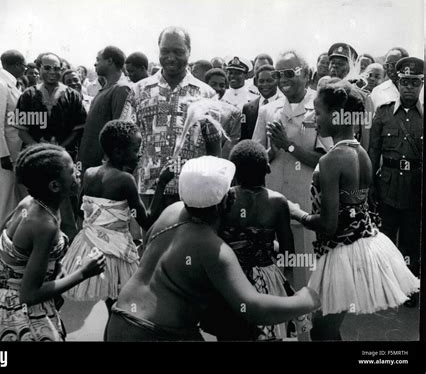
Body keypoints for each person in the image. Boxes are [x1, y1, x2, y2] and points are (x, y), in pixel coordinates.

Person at [105, 155, 321, 341]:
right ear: (226, 200)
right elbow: (255, 308)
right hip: (158, 333)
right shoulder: (212, 249)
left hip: (119, 321)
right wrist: (306, 299)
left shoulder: (172, 212)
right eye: (231, 189)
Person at [288, 81, 419, 341]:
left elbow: (328, 224)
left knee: (321, 329)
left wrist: (295, 213)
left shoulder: (331, 160)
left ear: (337, 116)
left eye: (319, 112)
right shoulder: (361, 154)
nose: (315, 118)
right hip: (359, 247)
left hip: (342, 253)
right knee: (324, 328)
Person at [0, 144, 106, 341]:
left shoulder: (30, 203)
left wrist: (55, 268)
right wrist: (84, 272)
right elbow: (29, 295)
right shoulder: (44, 226)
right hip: (16, 314)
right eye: (71, 171)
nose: (78, 172)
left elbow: (5, 247)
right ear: (54, 186)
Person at [61, 120, 174, 337]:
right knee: (120, 306)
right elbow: (147, 221)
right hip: (116, 252)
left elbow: (80, 209)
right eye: (135, 150)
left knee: (112, 304)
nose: (139, 154)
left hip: (89, 245)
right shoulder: (125, 180)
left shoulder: (90, 173)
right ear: (118, 152)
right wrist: (161, 184)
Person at [201, 140, 299, 341]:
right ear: (268, 168)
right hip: (267, 280)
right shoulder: (278, 202)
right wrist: (286, 284)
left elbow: (214, 239)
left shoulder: (226, 198)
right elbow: (288, 249)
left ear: (235, 174)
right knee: (270, 333)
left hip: (231, 281)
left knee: (230, 333)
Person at [252, 50, 333, 290]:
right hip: (273, 204)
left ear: (306, 74)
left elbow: (327, 160)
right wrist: (273, 152)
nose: (283, 79)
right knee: (272, 269)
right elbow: (257, 159)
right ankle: (277, 324)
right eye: (279, 74)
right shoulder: (269, 109)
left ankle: (303, 324)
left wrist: (289, 145)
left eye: (289, 73)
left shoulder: (320, 106)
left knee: (304, 273)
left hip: (305, 208)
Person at [120, 26, 217, 209]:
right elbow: (125, 138)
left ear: (189, 51)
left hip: (192, 190)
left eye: (178, 51)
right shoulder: (139, 90)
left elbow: (214, 146)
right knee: (150, 237)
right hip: (147, 188)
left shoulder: (206, 94)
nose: (171, 57)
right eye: (165, 51)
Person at [368, 57, 423, 307]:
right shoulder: (383, 112)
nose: (409, 87)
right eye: (405, 82)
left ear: (421, 84)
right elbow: (373, 152)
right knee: (386, 239)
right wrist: (369, 187)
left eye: (415, 82)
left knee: (412, 241)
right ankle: (386, 289)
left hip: (416, 188)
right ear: (397, 83)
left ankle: (411, 288)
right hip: (387, 187)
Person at [15, 52, 87, 241]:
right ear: (39, 69)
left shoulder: (72, 96)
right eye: (47, 67)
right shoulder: (27, 96)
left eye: (57, 68)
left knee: (67, 205)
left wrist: (58, 151)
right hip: (35, 159)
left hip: (64, 158)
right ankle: (37, 243)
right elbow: (21, 131)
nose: (52, 72)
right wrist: (40, 150)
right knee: (36, 203)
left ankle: (70, 247)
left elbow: (77, 130)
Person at [0, 50, 27, 236]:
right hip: (5, 154)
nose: (24, 69)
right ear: (15, 65)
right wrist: (3, 155)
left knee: (12, 197)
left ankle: (9, 237)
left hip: (13, 151)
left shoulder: (10, 85)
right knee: (4, 198)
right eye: (23, 65)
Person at [77, 46, 131, 176]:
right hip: (89, 161)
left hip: (100, 167)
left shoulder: (121, 89)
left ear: (110, 61)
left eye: (98, 59)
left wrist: (108, 163)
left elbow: (119, 131)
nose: (95, 63)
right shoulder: (106, 88)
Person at [241, 64, 283, 141]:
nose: (265, 84)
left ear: (277, 81)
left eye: (269, 80)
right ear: (256, 83)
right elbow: (244, 138)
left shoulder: (283, 105)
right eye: (261, 81)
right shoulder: (247, 108)